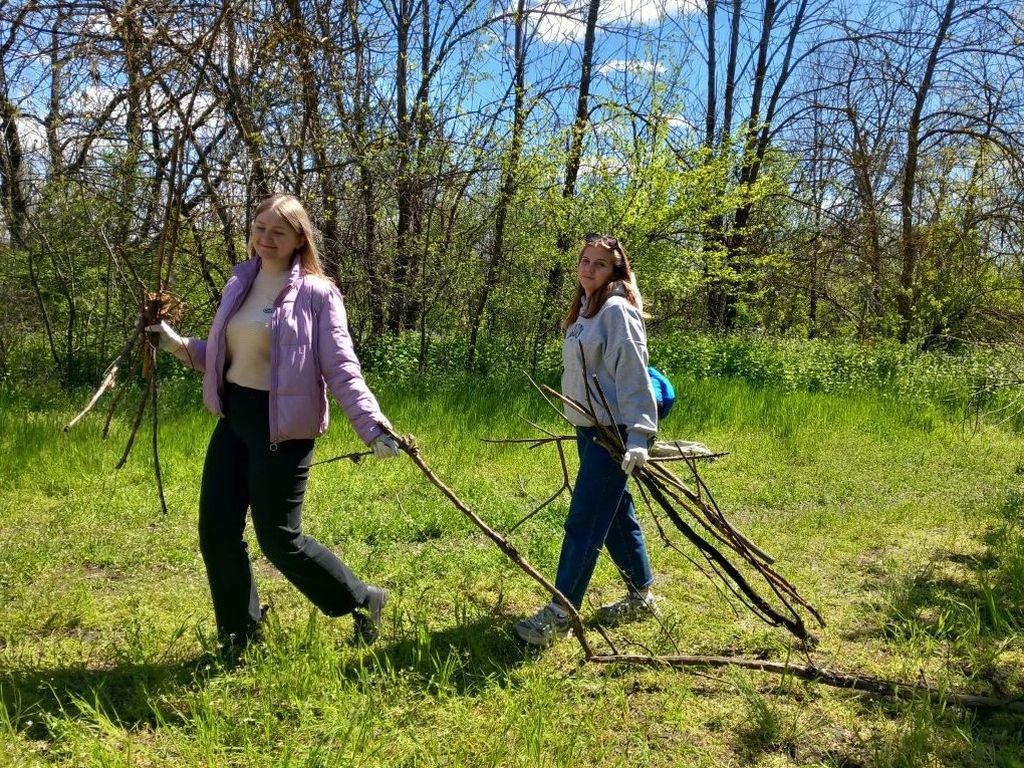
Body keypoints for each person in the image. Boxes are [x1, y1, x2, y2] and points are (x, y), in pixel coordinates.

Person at [147, 193, 400, 651]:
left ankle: (364, 600)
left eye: (278, 231)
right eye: (260, 228)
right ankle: (239, 636)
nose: (266, 238)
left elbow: (341, 368)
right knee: (217, 532)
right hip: (235, 418)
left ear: (299, 239)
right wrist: (177, 345)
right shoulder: (240, 282)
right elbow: (224, 356)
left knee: (279, 539)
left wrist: (372, 425)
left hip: (282, 427)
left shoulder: (318, 294)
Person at [514, 233, 660, 646]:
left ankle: (560, 614)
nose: (589, 268)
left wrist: (639, 435)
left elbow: (633, 372)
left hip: (612, 432)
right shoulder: (585, 309)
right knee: (614, 513)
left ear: (616, 270)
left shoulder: (616, 311)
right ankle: (642, 596)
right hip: (588, 428)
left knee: (584, 521)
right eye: (584, 260)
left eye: (600, 263)